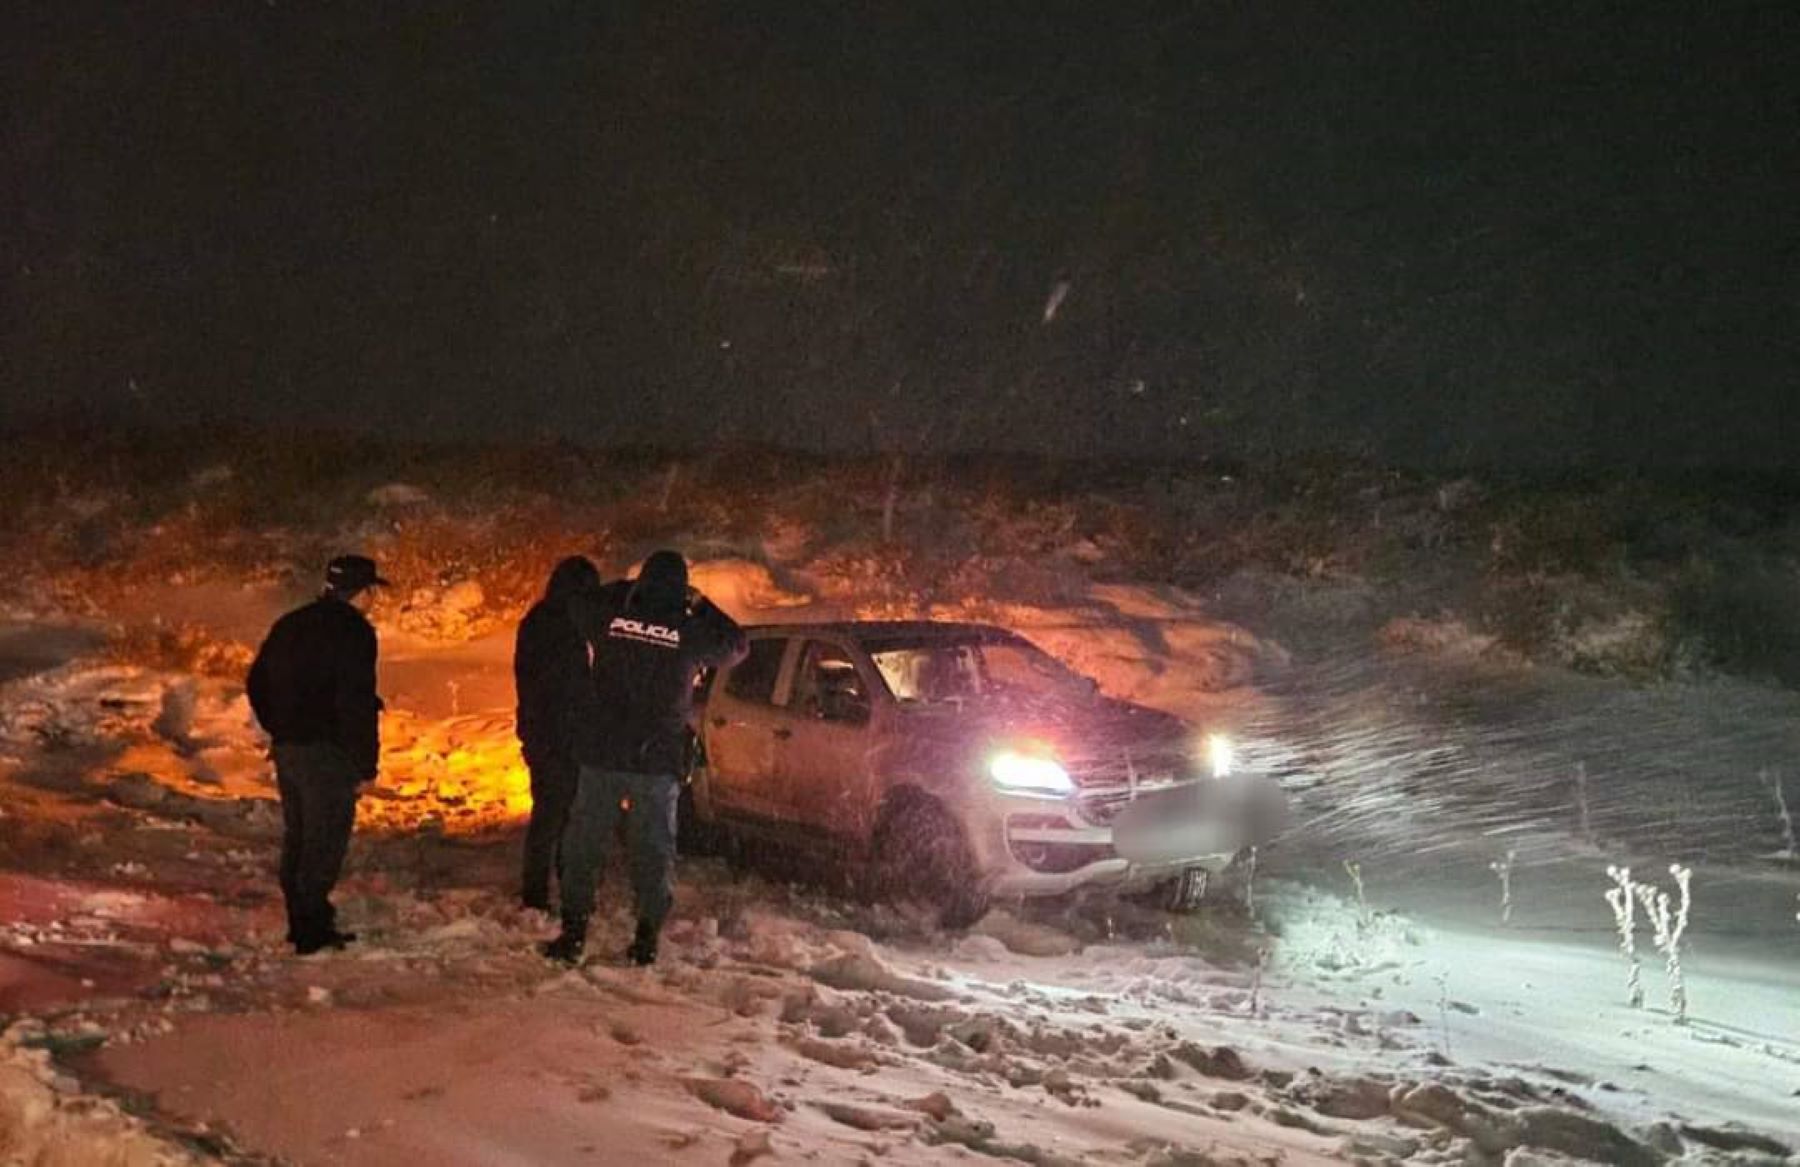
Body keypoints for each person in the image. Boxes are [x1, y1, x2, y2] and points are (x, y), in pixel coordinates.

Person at [542, 550, 746, 967]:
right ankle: (647, 938)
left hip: (604, 753)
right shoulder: (688, 630)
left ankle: (574, 931)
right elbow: (737, 645)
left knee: (584, 844)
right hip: (656, 761)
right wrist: (701, 604)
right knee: (653, 850)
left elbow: (578, 604)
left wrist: (626, 590)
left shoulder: (610, 619)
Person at [246, 555, 387, 955]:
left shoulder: (291, 624)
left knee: (300, 833)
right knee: (325, 839)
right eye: (372, 591)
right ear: (363, 592)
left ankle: (302, 918)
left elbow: (257, 681)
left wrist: (280, 726)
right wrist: (365, 761)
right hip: (328, 751)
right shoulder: (355, 632)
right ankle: (311, 930)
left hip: (289, 748)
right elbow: (355, 700)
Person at [512, 555, 601, 912]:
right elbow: (565, 686)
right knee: (558, 816)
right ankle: (550, 891)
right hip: (557, 733)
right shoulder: (560, 626)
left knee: (551, 814)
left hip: (543, 731)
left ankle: (542, 890)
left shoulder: (540, 621)